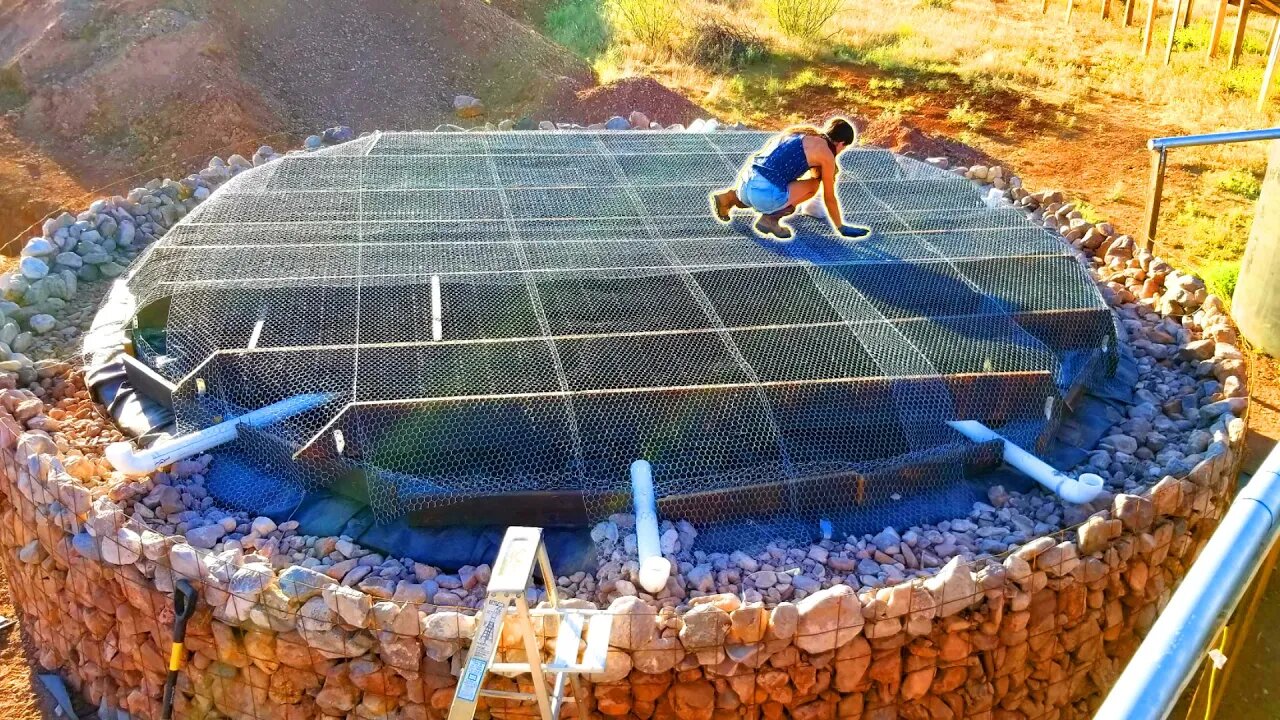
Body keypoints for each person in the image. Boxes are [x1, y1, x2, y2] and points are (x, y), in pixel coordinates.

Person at [711, 117, 869, 240]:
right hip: (764, 194)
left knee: (770, 184)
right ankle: (770, 219)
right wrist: (841, 227)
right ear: (841, 143)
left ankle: (728, 197)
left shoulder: (800, 132)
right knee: (813, 186)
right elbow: (829, 197)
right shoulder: (826, 154)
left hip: (744, 185)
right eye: (844, 148)